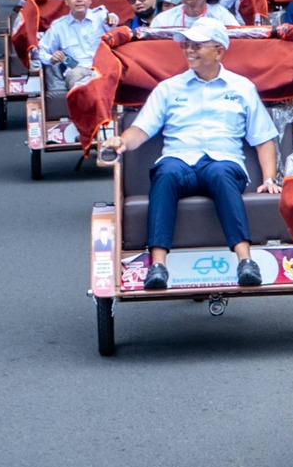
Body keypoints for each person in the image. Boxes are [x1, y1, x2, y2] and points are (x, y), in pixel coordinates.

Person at [111, 18, 281, 291]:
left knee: (221, 174)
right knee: (164, 174)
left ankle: (246, 262)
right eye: (186, 45)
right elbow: (141, 130)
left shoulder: (242, 88)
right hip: (179, 159)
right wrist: (121, 140)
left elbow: (263, 139)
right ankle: (158, 266)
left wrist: (270, 178)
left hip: (224, 160)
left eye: (197, 46)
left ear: (219, 50)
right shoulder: (169, 88)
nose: (189, 50)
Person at [37, 0, 115, 91]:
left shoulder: (101, 16)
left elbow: (112, 22)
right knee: (78, 76)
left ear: (90, 0)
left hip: (103, 68)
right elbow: (39, 52)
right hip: (78, 71)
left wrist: (112, 19)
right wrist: (51, 59)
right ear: (66, 1)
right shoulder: (58, 26)